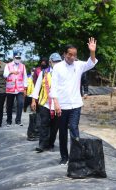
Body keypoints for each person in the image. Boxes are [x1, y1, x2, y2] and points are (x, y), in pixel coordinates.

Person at [50, 37, 98, 165]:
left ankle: (76, 156)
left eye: (74, 55)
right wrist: (56, 103)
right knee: (62, 132)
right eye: (70, 54)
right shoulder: (58, 67)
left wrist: (92, 51)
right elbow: (53, 86)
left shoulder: (79, 65)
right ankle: (64, 157)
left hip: (76, 104)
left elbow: (91, 63)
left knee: (73, 128)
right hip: (62, 105)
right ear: (64, 54)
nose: (72, 57)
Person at [31, 53, 62, 153]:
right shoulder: (44, 72)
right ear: (50, 62)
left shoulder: (63, 73)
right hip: (45, 103)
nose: (56, 64)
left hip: (58, 104)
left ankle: (50, 143)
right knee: (44, 124)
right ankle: (42, 144)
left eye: (58, 62)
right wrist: (33, 100)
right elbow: (37, 87)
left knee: (55, 126)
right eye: (55, 62)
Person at [3, 51, 28, 127]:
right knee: (9, 105)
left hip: (19, 89)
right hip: (10, 89)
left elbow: (25, 77)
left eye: (19, 58)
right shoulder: (8, 65)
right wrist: (11, 72)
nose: (18, 59)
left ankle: (18, 120)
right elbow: (4, 75)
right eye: (16, 58)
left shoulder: (22, 66)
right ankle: (9, 121)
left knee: (20, 104)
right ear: (13, 57)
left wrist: (25, 88)